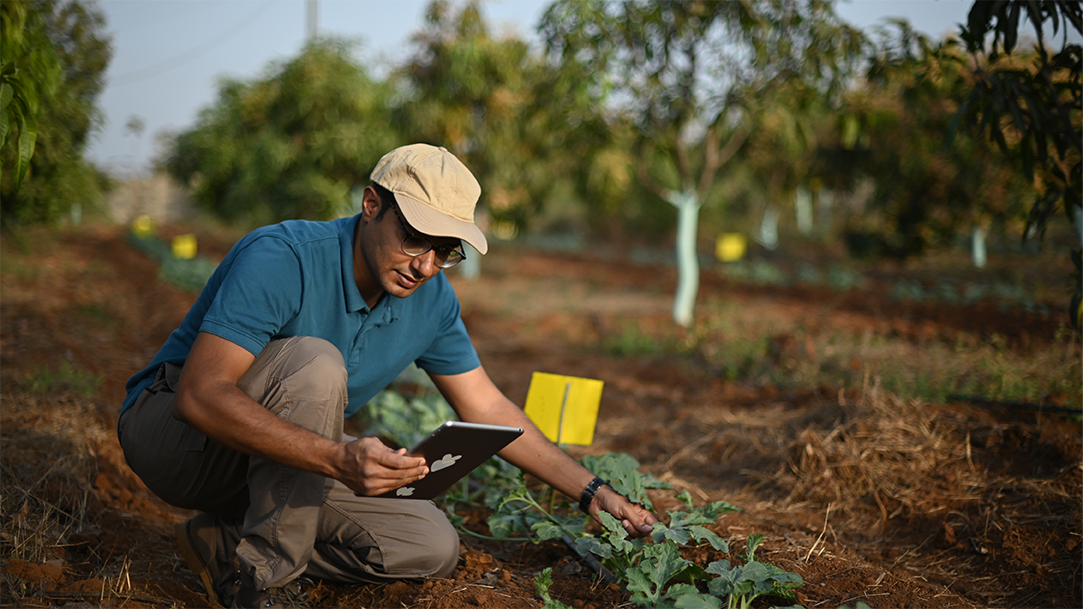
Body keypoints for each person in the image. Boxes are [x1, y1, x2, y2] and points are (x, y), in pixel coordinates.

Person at [117, 143, 658, 609]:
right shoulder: (284, 257)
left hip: (274, 460)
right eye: (416, 238)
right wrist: (335, 458)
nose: (425, 265)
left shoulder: (433, 302)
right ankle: (261, 584)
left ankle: (221, 540)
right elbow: (201, 394)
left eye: (446, 253)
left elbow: (488, 409)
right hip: (176, 440)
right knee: (316, 363)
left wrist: (593, 492)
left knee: (428, 544)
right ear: (371, 204)